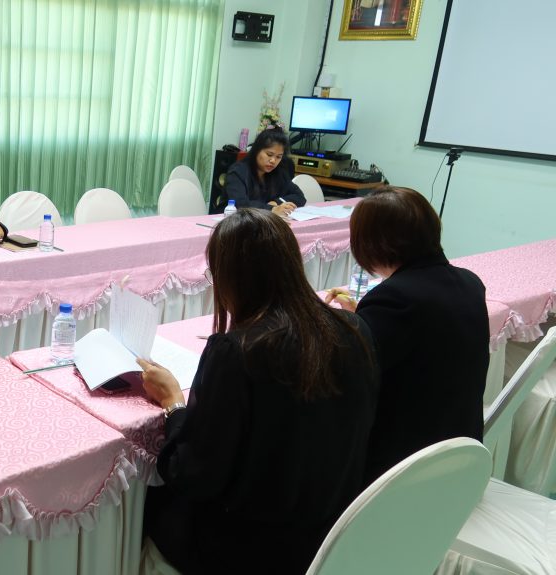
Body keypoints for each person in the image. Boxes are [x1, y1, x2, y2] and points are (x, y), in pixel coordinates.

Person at [137, 209, 379, 574]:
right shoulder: (353, 327)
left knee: (144, 504)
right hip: (329, 537)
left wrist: (173, 404)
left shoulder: (238, 352)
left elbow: (193, 473)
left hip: (246, 551)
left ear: (230, 278)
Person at [325, 186, 489, 484]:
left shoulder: (395, 297)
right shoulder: (470, 283)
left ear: (374, 243)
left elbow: (349, 374)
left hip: (404, 467)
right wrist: (363, 316)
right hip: (460, 451)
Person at [221, 127, 307, 216]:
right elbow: (240, 204)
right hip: (230, 219)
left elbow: (299, 196)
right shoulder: (238, 171)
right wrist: (272, 209)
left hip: (262, 219)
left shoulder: (278, 172)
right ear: (257, 151)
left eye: (278, 157)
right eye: (269, 154)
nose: (273, 161)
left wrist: (276, 202)